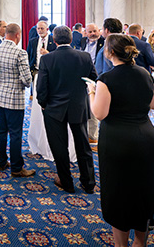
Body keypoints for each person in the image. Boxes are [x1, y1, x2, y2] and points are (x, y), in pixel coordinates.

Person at [87, 34, 154, 247]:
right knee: (143, 191)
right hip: (147, 138)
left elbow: (99, 113)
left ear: (109, 53)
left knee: (118, 193)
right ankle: (140, 242)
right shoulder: (146, 74)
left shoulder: (106, 79)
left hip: (119, 142)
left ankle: (121, 245)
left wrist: (92, 93)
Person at [37, 26, 96, 194]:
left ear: (54, 41)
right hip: (78, 106)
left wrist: (43, 103)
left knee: (59, 146)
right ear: (71, 39)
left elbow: (42, 87)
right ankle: (88, 182)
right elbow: (93, 78)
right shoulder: (84, 57)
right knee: (83, 145)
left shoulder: (47, 59)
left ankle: (66, 182)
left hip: (54, 109)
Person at [0, 23, 35, 177]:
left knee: (1, 131)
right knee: (15, 134)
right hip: (14, 99)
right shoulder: (20, 53)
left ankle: (1, 162)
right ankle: (16, 167)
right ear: (18, 35)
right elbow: (27, 80)